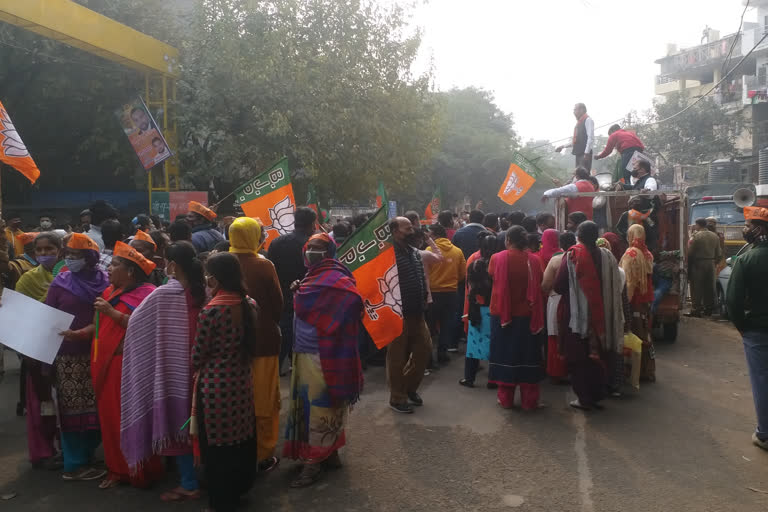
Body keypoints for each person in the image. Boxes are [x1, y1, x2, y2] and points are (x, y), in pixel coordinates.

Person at [119, 242, 205, 501]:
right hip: (205, 371)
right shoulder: (209, 289)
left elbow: (135, 328)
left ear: (173, 265)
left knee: (178, 425)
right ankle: (208, 476)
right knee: (204, 426)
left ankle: (189, 483)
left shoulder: (162, 295)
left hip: (175, 375)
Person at [283, 233, 364, 487]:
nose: (312, 252)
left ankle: (313, 463)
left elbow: (353, 301)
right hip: (305, 352)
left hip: (325, 354)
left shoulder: (338, 277)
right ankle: (331, 453)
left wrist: (305, 296)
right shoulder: (311, 276)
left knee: (320, 408)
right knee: (316, 406)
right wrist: (300, 290)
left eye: (318, 248)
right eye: (310, 248)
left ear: (329, 251)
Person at [90, 241, 161, 488]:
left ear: (130, 271)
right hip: (107, 367)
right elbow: (99, 327)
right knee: (110, 419)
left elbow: (146, 328)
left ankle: (138, 469)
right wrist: (78, 333)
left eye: (115, 265)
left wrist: (111, 313)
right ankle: (117, 469)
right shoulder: (110, 292)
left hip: (129, 368)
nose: (109, 269)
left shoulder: (149, 294)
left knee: (131, 418)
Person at [192, 252, 258, 511]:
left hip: (216, 388)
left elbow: (197, 355)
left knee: (218, 447)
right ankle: (241, 488)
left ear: (216, 279)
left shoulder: (211, 311)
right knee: (241, 439)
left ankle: (222, 500)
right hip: (242, 382)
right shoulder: (250, 303)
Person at [46, 233, 110, 481]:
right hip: (68, 356)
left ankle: (87, 454)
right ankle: (74, 463)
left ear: (90, 258)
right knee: (73, 410)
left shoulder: (105, 281)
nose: (71, 260)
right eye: (69, 255)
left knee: (97, 407)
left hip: (96, 352)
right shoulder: (59, 283)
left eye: (77, 255)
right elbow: (48, 318)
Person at [228, 218, 283, 473]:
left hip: (228, 345)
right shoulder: (263, 265)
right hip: (263, 341)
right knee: (263, 399)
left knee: (234, 399)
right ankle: (263, 453)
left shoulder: (220, 263)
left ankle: (235, 450)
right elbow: (278, 305)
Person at [554, 221, 624, 410]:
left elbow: (559, 285)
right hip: (603, 315)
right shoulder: (607, 256)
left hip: (577, 316)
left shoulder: (572, 255)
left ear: (579, 235)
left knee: (578, 359)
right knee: (598, 355)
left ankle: (584, 399)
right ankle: (596, 395)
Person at [15, 233, 61, 469]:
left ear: (59, 251)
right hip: (37, 352)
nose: (44, 254)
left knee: (65, 404)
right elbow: (19, 318)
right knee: (42, 405)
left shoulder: (69, 278)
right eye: (39, 251)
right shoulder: (27, 280)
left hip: (66, 350)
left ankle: (68, 450)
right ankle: (43, 452)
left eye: (49, 249)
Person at [487, 226, 545, 410]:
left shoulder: (497, 259)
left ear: (508, 240)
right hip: (528, 316)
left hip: (502, 315)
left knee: (506, 355)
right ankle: (530, 401)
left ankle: (506, 399)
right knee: (528, 356)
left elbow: (491, 276)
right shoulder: (534, 261)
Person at [726, 206, 768, 450]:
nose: (745, 230)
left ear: (759, 230)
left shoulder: (746, 259)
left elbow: (733, 301)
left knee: (762, 380)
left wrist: (742, 327)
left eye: (748, 226)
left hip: (757, 332)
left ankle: (764, 434)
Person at [387, 217, 431, 414]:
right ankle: (397, 397)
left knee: (424, 349)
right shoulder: (386, 254)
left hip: (418, 312)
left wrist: (424, 297)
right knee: (397, 357)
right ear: (395, 230)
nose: (412, 230)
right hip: (397, 314)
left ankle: (409, 388)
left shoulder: (413, 252)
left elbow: (421, 276)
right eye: (407, 228)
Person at [268, 206, 317, 371]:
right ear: (311, 224)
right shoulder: (311, 246)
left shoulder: (276, 242)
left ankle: (279, 365)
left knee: (284, 330)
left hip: (282, 293)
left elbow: (272, 269)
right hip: (306, 296)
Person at [460, 231, 501, 387]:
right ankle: (493, 380)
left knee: (473, 345)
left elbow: (470, 289)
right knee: (496, 344)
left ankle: (469, 378)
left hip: (477, 309)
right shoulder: (500, 264)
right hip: (496, 309)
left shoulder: (474, 264)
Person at [620, 224, 656, 382]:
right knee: (645, 333)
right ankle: (648, 370)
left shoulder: (631, 253)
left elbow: (630, 283)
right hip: (646, 300)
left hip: (634, 300)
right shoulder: (647, 253)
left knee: (635, 334)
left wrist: (624, 305)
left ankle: (638, 371)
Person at [426, 224, 466, 363]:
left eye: (430, 233)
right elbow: (462, 274)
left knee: (430, 327)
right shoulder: (457, 251)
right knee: (446, 325)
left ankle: (428, 358)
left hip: (433, 294)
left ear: (435, 235)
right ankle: (442, 354)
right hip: (451, 293)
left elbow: (424, 272)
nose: (428, 236)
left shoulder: (429, 250)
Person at [541, 231, 577, 384]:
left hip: (556, 300)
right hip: (577, 301)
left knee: (555, 334)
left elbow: (545, 285)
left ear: (561, 244)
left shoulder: (556, 260)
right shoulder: (582, 258)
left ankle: (557, 371)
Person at [687, 218, 723, 317]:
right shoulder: (714, 236)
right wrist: (714, 262)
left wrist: (688, 265)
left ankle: (696, 310)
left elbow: (690, 252)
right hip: (711, 263)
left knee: (696, 287)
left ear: (698, 225)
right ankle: (708, 310)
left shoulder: (696, 236)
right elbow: (719, 253)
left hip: (698, 263)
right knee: (709, 287)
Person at [555, 103, 594, 171]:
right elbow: (575, 141)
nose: (574, 112)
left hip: (584, 153)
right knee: (578, 175)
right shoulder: (579, 123)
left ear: (582, 110)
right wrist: (562, 146)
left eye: (575, 110)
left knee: (583, 175)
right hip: (579, 153)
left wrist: (587, 153)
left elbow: (590, 138)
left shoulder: (588, 120)